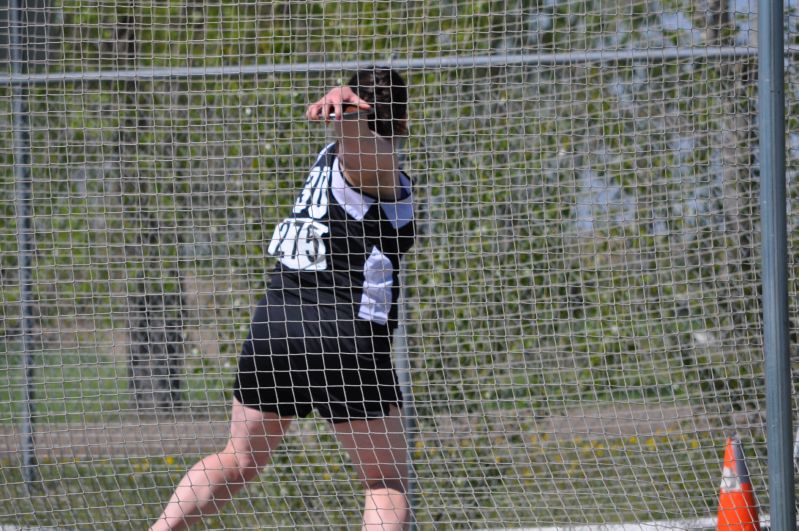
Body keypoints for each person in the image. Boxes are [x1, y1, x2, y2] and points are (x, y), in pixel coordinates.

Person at [150, 67, 414, 531]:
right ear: (403, 120)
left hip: (276, 323)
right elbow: (365, 154)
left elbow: (355, 154)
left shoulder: (328, 161)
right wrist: (351, 119)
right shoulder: (372, 159)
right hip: (341, 330)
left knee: (238, 461)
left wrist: (345, 121)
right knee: (384, 481)